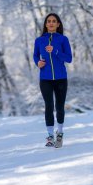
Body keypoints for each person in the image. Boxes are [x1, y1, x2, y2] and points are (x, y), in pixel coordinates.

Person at [33, 13, 72, 148]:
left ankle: (59, 133)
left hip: (61, 78)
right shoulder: (39, 40)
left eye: (53, 21)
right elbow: (35, 55)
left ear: (58, 24)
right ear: (45, 24)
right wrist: (38, 63)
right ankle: (50, 136)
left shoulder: (63, 39)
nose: (51, 23)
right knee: (49, 106)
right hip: (45, 79)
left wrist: (55, 50)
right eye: (48, 21)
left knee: (59, 107)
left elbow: (68, 58)